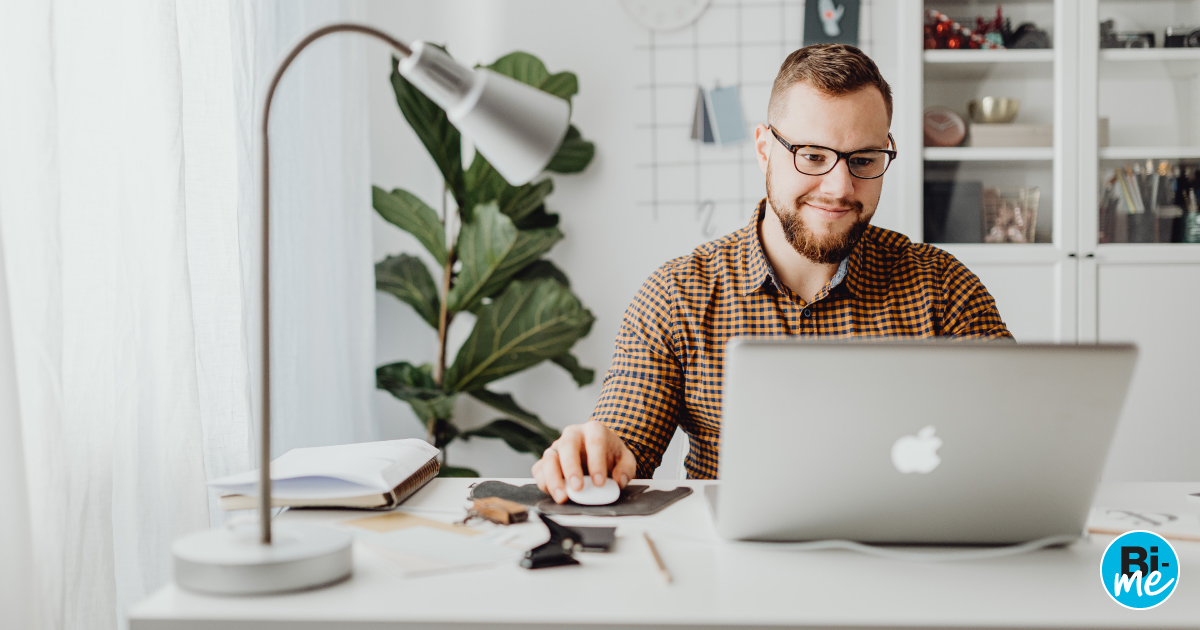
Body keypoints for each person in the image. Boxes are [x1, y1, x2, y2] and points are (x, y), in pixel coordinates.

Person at [532, 44, 1012, 503]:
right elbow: (625, 439)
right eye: (813, 156)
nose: (840, 187)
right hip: (732, 571)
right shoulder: (678, 294)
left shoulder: (944, 288)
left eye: (864, 160)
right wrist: (598, 454)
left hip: (906, 562)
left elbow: (1018, 436)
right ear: (765, 148)